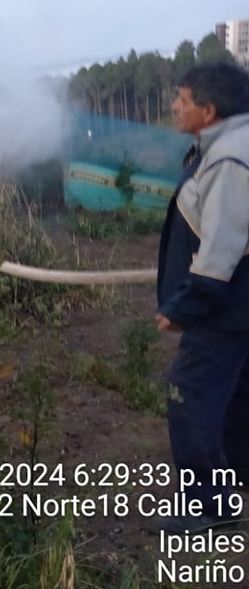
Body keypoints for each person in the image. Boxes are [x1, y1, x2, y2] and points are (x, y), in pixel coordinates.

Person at [154, 61, 249, 534]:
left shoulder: (230, 159)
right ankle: (238, 480)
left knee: (187, 395)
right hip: (237, 307)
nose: (174, 106)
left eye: (183, 99)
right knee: (234, 396)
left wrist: (182, 306)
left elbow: (221, 249)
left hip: (224, 309)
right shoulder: (221, 147)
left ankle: (210, 505)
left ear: (209, 110)